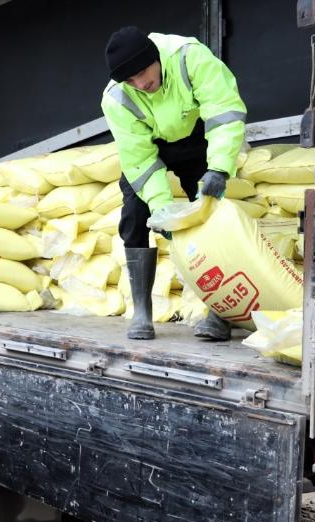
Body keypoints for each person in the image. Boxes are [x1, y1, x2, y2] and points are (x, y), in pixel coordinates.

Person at [101, 26, 247, 342]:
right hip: (151, 147)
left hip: (194, 139)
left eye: (142, 72)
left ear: (154, 58)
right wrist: (161, 208)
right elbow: (138, 157)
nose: (141, 84)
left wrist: (220, 168)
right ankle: (141, 310)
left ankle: (220, 311)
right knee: (134, 216)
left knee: (210, 214)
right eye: (131, 81)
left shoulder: (188, 56)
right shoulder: (116, 98)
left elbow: (223, 111)